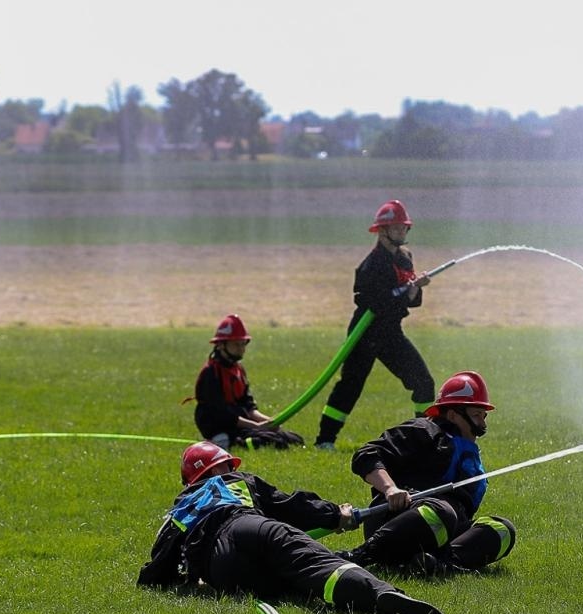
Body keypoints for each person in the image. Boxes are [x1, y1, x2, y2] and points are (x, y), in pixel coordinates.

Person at [138, 441, 442, 614]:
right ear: (216, 470)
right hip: (251, 526)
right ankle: (382, 595)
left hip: (223, 569)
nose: (230, 469)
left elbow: (157, 566)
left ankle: (349, 595)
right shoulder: (238, 481)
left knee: (287, 582)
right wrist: (337, 514)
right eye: (226, 465)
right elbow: (292, 506)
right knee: (317, 564)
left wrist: (189, 580)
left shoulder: (180, 508)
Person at [341, 370, 517, 576]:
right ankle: (361, 556)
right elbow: (366, 454)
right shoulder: (423, 430)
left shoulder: (466, 449)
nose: (483, 424)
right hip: (400, 518)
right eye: (477, 415)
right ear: (453, 415)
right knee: (441, 512)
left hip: (445, 525)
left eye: (484, 416)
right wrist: (390, 489)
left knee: (502, 529)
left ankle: (438, 565)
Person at [313, 199, 436, 450]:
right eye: (397, 228)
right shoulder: (371, 266)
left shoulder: (405, 258)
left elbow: (409, 302)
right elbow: (377, 304)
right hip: (365, 333)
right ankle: (324, 440)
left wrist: (414, 290)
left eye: (405, 228)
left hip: (391, 333)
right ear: (382, 231)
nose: (402, 232)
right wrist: (409, 292)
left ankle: (425, 436)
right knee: (351, 385)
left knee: (424, 382)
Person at [190, 313, 303, 449]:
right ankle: (226, 442)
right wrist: (256, 427)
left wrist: (267, 422)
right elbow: (222, 414)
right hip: (221, 426)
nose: (241, 349)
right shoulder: (210, 373)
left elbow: (248, 406)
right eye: (236, 344)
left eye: (243, 344)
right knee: (271, 442)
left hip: (241, 424)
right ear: (221, 345)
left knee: (294, 439)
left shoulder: (238, 370)